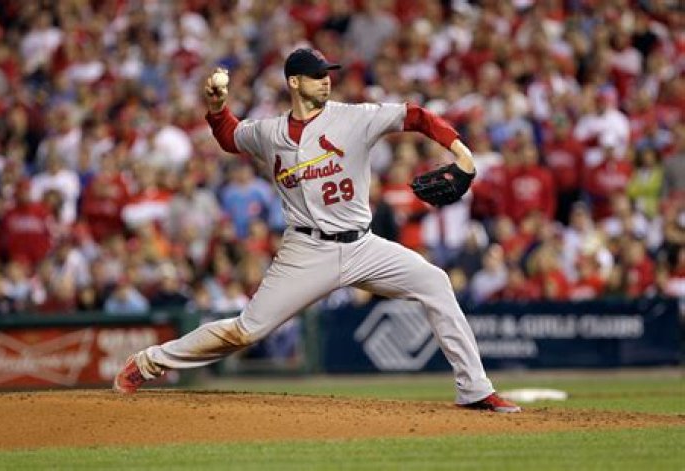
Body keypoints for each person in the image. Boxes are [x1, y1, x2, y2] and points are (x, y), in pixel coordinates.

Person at [113, 48, 520, 413]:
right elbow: (230, 138)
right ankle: (147, 363)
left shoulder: (354, 118)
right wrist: (217, 108)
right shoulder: (269, 133)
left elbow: (415, 115)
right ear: (294, 82)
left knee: (435, 282)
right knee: (245, 331)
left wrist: (462, 152)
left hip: (363, 245)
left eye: (327, 74)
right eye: (316, 75)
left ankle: (475, 389)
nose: (325, 80)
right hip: (306, 251)